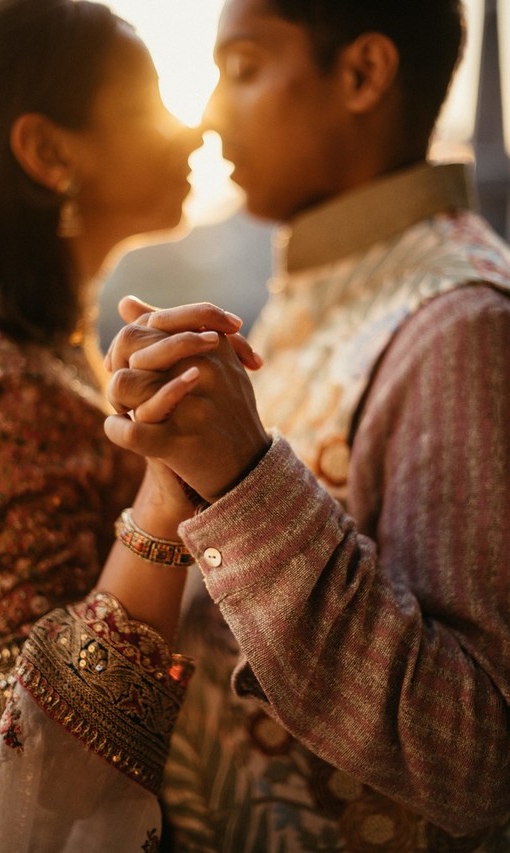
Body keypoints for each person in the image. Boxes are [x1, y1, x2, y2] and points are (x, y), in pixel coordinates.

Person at [104, 0, 510, 850]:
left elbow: (478, 760)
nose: (211, 113)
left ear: (362, 74)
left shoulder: (461, 324)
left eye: (244, 69)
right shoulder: (331, 288)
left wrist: (247, 479)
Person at [0, 1, 263, 850]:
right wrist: (163, 504)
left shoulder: (41, 352)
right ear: (48, 151)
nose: (192, 131)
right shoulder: (5, 391)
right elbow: (10, 770)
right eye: (145, 104)